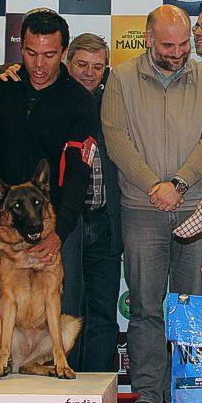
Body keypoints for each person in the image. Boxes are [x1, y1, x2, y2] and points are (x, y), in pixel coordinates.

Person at [102, 5, 202, 403]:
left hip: (196, 209)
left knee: (191, 306)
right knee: (145, 306)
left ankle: (187, 390)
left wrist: (178, 184)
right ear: (148, 39)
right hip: (141, 208)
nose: (177, 53)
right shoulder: (121, 78)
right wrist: (154, 186)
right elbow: (117, 140)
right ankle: (148, 393)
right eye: (168, 45)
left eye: (183, 44)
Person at [0, 10, 100, 372]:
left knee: (62, 310)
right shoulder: (4, 89)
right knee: (3, 308)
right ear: (21, 48)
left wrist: (59, 231)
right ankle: (3, 373)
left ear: (63, 52)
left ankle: (60, 384)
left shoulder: (79, 100)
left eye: (49, 54)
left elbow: (78, 171)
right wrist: (1, 211)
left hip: (57, 225)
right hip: (9, 225)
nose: (39, 64)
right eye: (31, 53)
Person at [64, 33, 123, 372]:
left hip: (104, 219)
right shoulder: (54, 99)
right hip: (67, 222)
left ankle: (99, 387)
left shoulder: (114, 102)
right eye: (82, 64)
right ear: (68, 62)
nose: (89, 73)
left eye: (97, 67)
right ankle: (64, 386)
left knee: (103, 313)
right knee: (67, 310)